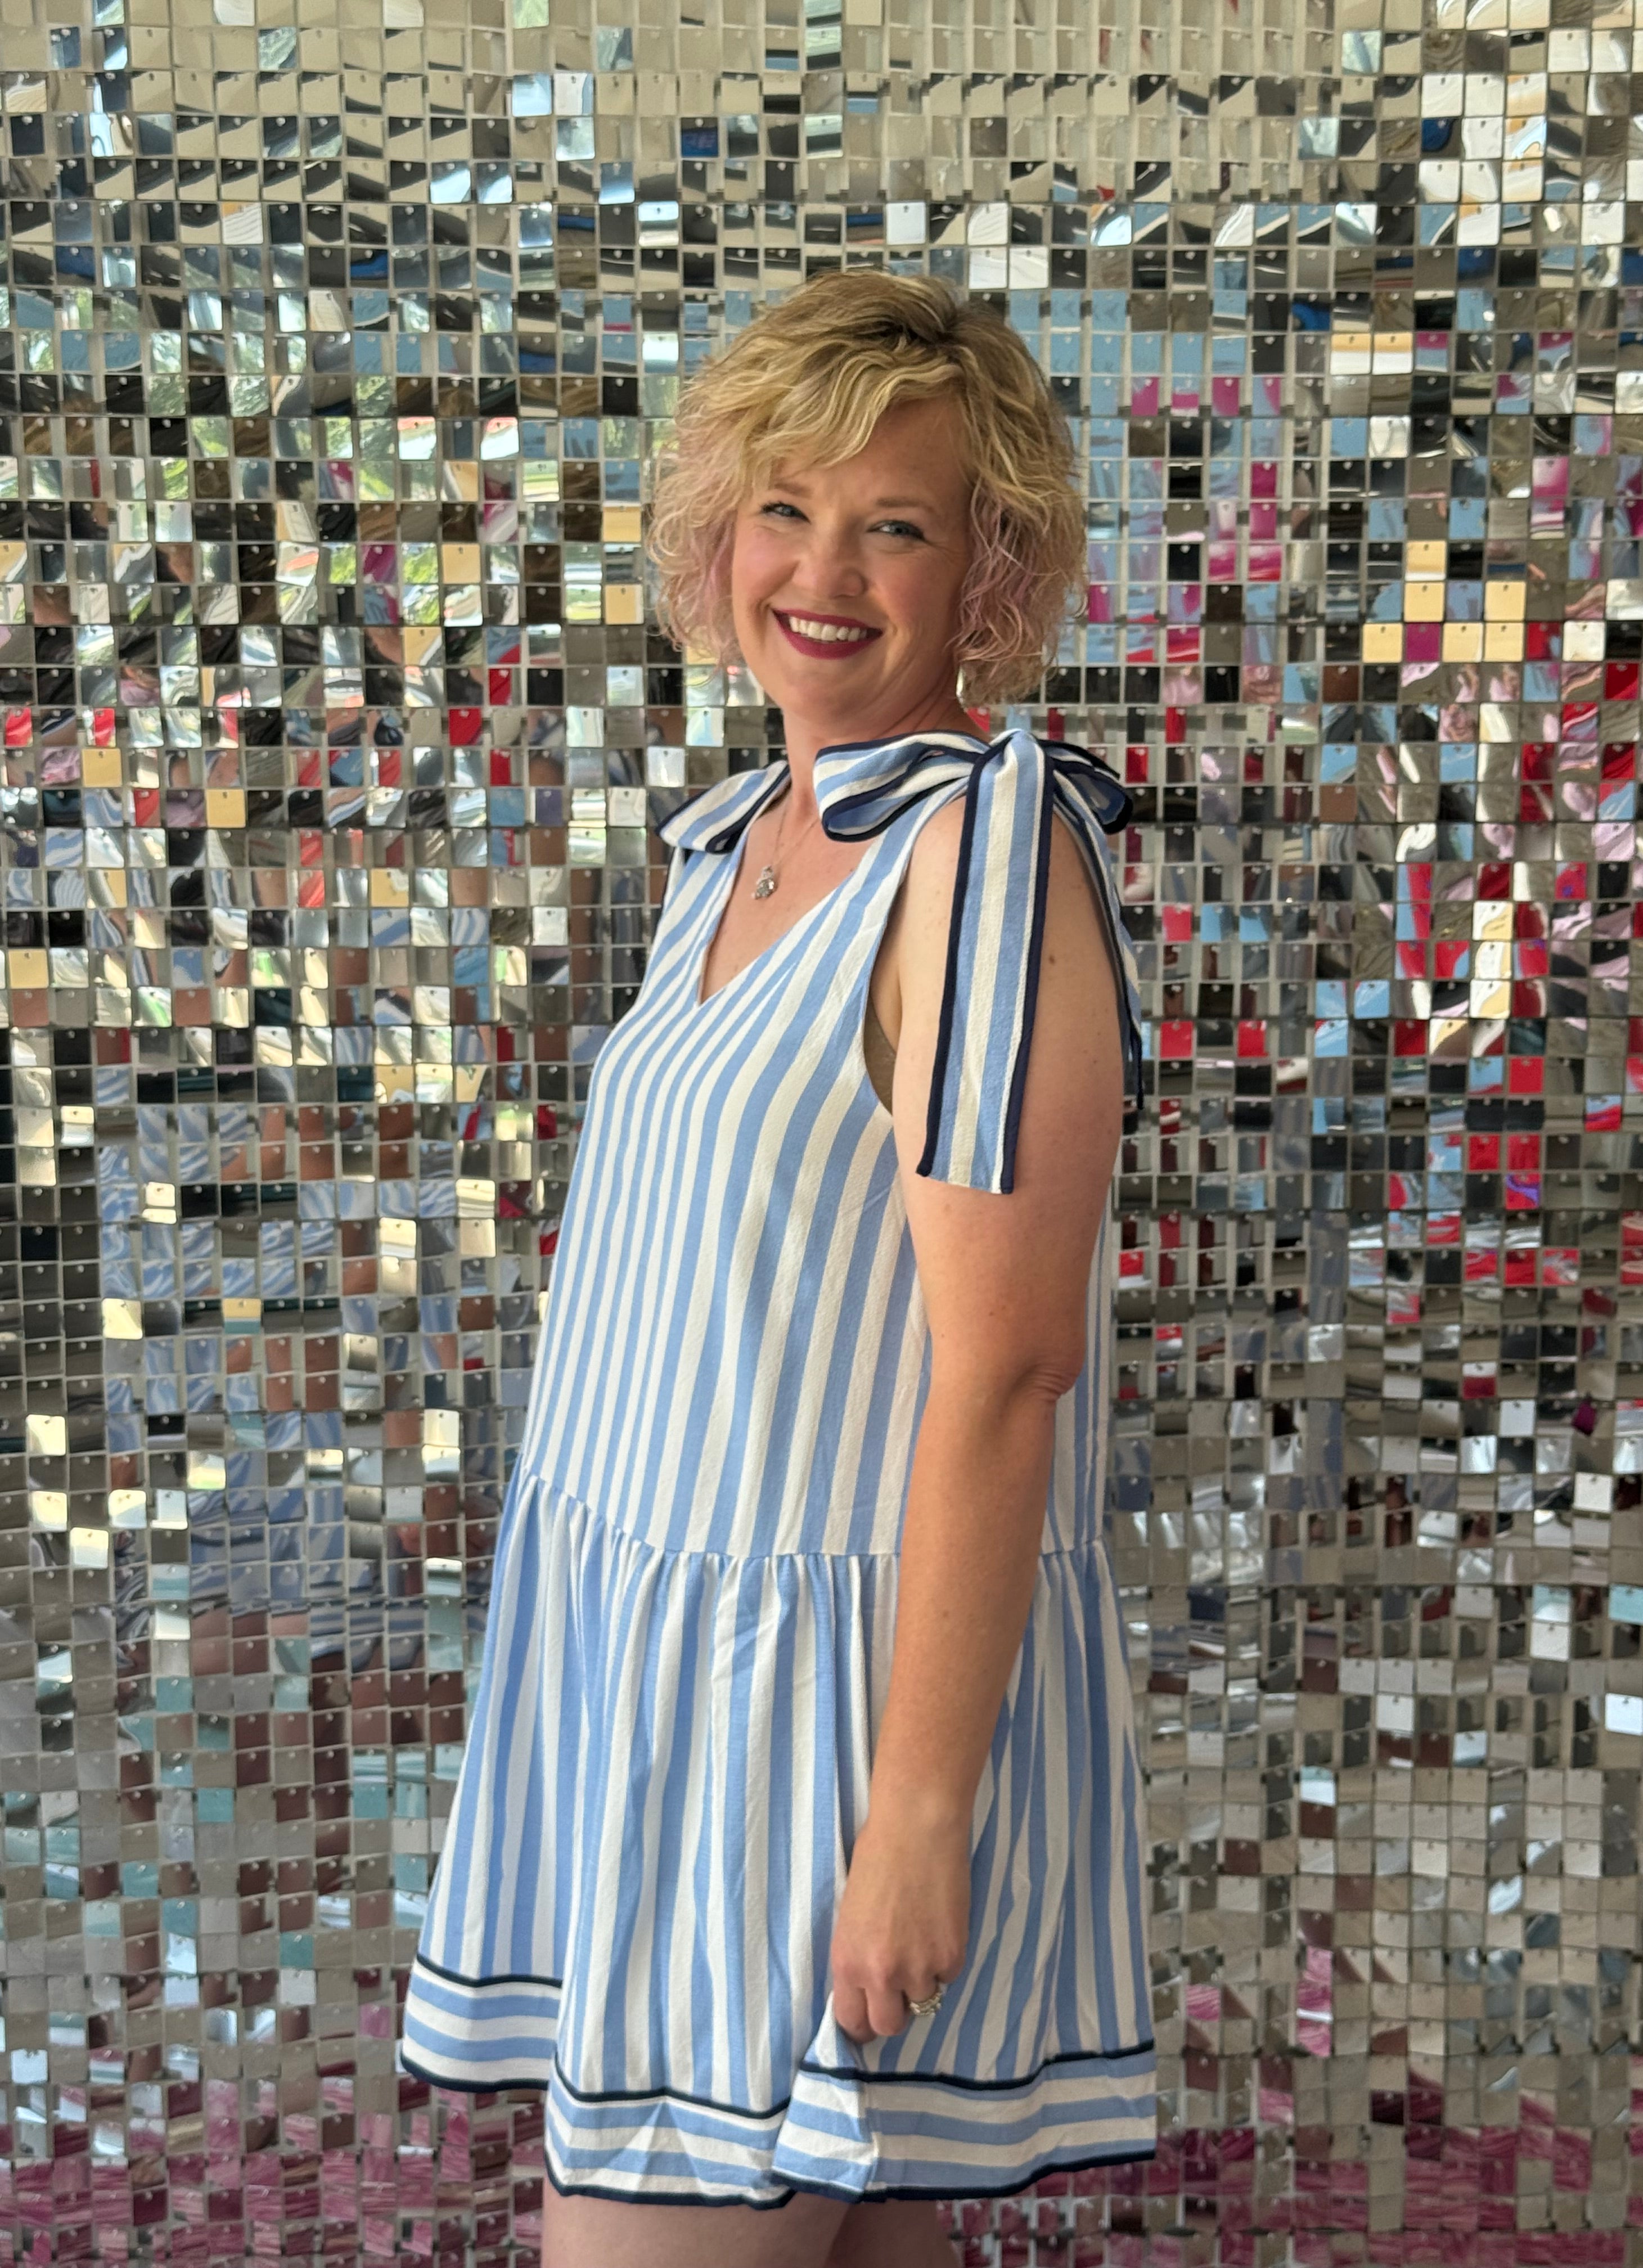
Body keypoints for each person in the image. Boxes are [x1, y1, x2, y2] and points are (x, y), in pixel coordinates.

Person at [399, 268, 1156, 2268]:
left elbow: (1007, 1368)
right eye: (786, 510)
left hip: (811, 1740)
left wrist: (914, 1820)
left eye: (894, 525)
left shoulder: (980, 855)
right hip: (657, 1692)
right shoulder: (736, 844)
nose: (823, 573)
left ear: (989, 570)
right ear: (716, 532)